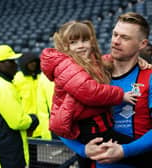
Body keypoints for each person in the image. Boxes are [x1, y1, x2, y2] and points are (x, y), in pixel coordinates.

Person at [60, 12, 152, 168]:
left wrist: (125, 150)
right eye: (115, 34)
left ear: (142, 44)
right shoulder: (86, 73)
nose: (116, 41)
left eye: (125, 38)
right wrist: (83, 150)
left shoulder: (149, 76)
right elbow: (59, 120)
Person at [40, 20, 137, 167]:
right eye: (73, 42)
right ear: (64, 46)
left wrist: (138, 59)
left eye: (85, 40)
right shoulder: (66, 66)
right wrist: (121, 95)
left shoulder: (86, 62)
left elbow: (102, 61)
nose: (81, 45)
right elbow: (91, 92)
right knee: (141, 154)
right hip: (92, 132)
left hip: (98, 128)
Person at [0, 45, 39, 168]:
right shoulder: (3, 86)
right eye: (11, 61)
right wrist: (34, 119)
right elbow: (18, 122)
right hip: (6, 150)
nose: (16, 64)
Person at [13, 52, 52, 139]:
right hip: (28, 123)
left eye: (35, 62)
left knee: (44, 151)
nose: (33, 64)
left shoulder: (43, 77)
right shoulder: (17, 79)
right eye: (30, 62)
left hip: (43, 123)